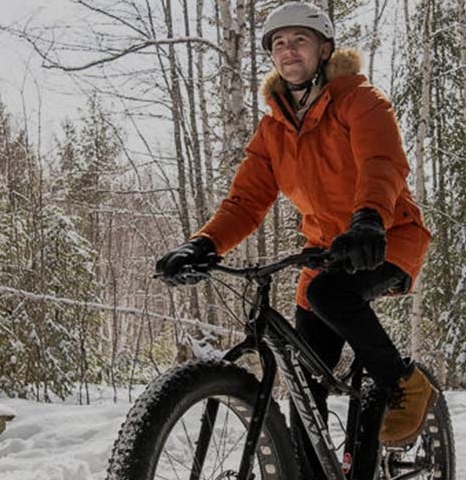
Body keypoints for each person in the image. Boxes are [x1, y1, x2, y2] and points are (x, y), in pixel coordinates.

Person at [151, 1, 435, 450]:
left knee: (329, 294)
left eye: (300, 39)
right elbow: (246, 202)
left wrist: (368, 220)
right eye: (278, 44)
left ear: (324, 49)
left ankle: (404, 382)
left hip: (386, 236)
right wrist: (203, 244)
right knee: (304, 386)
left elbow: (381, 164)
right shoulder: (273, 130)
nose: (289, 50)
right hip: (323, 255)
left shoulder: (360, 102)